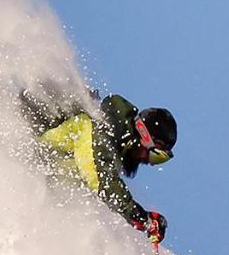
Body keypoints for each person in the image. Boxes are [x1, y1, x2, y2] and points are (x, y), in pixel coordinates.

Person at [21, 86, 176, 244]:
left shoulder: (112, 147)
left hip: (31, 179)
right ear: (143, 136)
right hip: (21, 149)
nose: (149, 163)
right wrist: (142, 218)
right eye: (156, 156)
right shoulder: (95, 126)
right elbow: (102, 179)